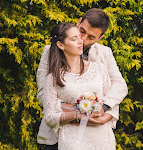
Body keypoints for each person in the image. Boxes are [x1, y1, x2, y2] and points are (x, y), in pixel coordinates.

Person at [37, 9, 128, 149]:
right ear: (79, 22)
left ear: (100, 38)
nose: (83, 39)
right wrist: (79, 111)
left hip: (96, 136)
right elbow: (43, 92)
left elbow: (119, 86)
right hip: (57, 135)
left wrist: (102, 109)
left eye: (91, 37)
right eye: (82, 31)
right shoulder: (50, 51)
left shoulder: (105, 54)